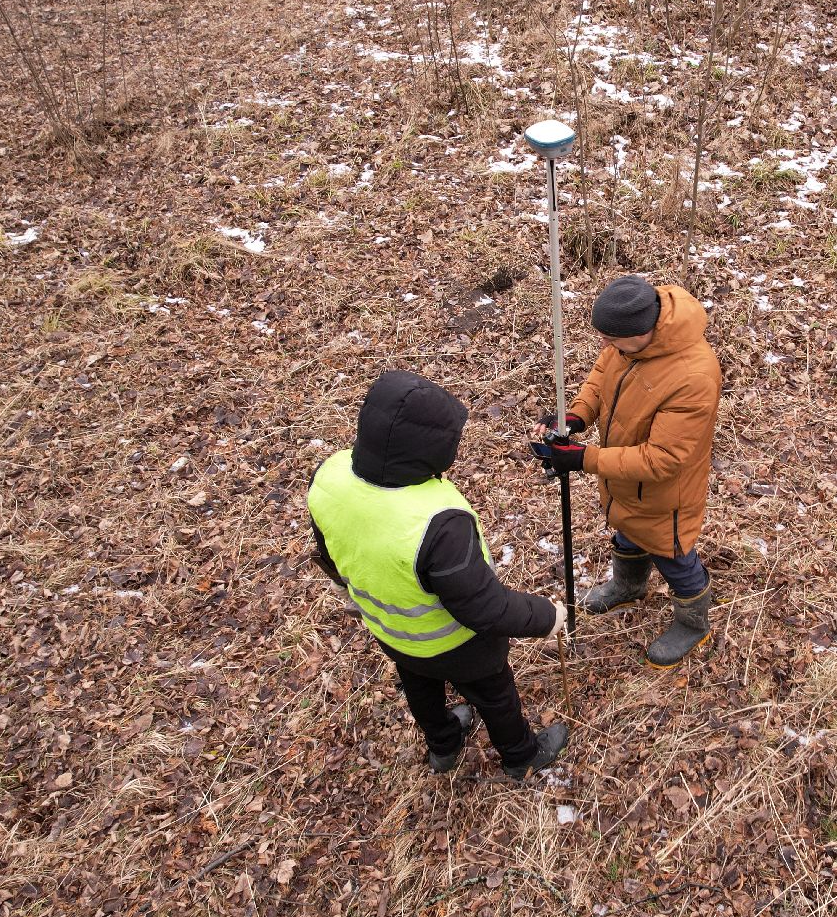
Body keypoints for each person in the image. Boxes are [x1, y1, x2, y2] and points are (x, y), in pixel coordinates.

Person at [310, 370, 569, 780]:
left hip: (389, 628)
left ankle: (443, 746)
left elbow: (330, 553)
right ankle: (521, 754)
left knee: (419, 684)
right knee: (494, 694)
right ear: (429, 448)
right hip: (458, 641)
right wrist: (546, 616)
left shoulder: (330, 475)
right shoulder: (437, 523)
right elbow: (484, 608)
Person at [531, 274, 723, 667]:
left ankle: (693, 625)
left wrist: (584, 459)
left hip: (666, 495)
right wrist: (575, 417)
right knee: (627, 528)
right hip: (625, 481)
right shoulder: (626, 346)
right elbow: (600, 379)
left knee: (673, 555)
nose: (605, 345)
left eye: (612, 338)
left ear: (644, 330)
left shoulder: (694, 376)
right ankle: (628, 585)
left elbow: (662, 459)